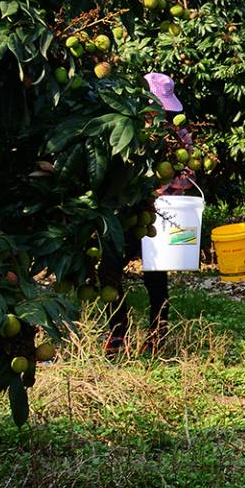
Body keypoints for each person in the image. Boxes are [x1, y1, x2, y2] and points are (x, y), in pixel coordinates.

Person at [106, 71, 194, 355]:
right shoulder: (127, 130)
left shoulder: (180, 136)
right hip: (125, 212)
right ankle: (117, 331)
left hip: (158, 214)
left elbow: (187, 177)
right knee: (109, 270)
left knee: (155, 276)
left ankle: (157, 333)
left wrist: (158, 184)